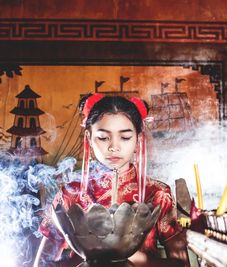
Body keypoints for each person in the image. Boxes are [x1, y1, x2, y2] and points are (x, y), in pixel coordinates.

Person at [34, 94, 190, 267]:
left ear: (138, 138)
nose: (114, 146)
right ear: (88, 137)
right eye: (103, 137)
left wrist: (130, 256)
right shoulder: (71, 194)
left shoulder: (157, 193)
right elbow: (42, 263)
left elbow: (181, 264)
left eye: (125, 137)